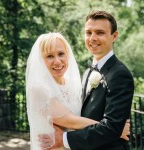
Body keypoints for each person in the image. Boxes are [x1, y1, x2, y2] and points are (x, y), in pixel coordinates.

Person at [39, 11, 134, 150]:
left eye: (100, 33)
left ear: (114, 36)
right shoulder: (88, 71)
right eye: (88, 32)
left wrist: (64, 139)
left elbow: (112, 127)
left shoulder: (119, 74)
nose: (92, 38)